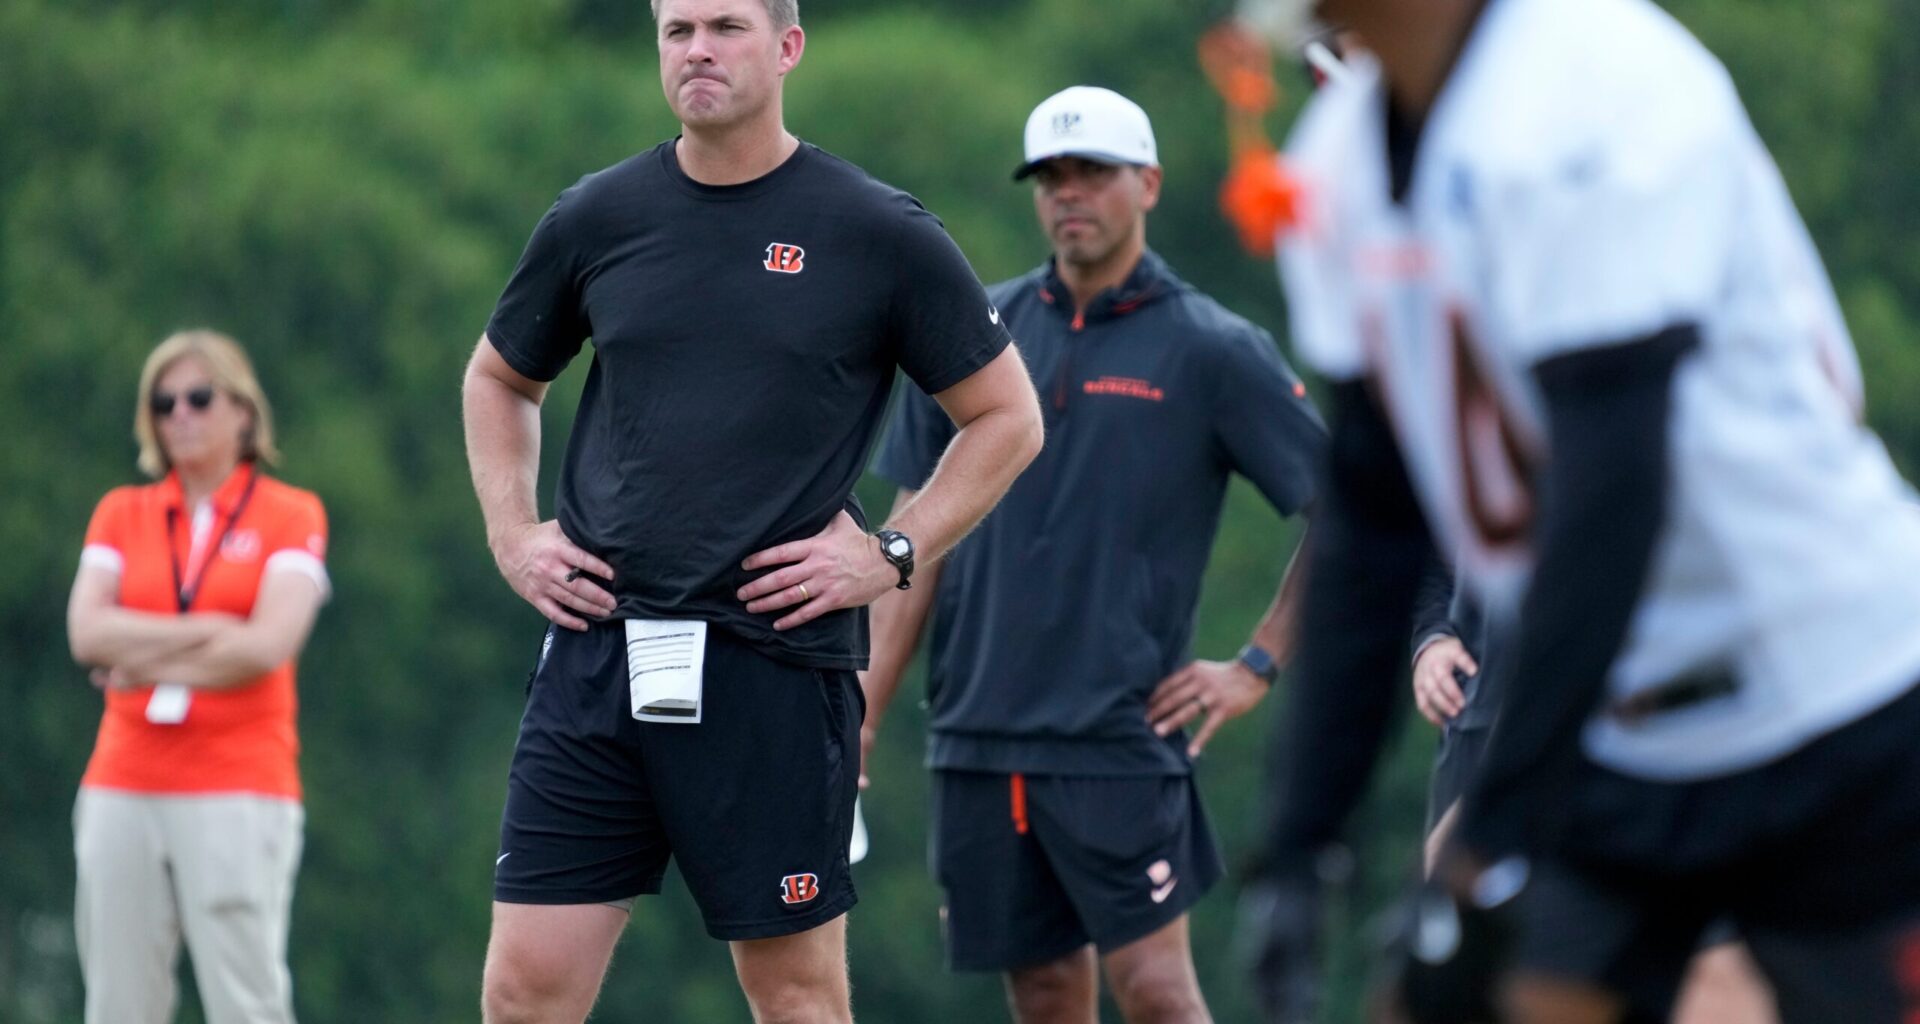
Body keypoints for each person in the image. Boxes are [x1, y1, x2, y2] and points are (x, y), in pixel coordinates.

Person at [1238, 0, 1920, 1021]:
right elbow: (1373, 521)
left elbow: (1614, 501)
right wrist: (1297, 846)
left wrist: (1491, 839)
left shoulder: (1597, 82)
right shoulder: (1339, 166)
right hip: (1627, 725)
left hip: (1831, 701)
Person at [461, 1, 1045, 1021]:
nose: (697, 50)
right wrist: (515, 536)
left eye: (725, 26)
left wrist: (891, 551)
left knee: (795, 997)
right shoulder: (597, 217)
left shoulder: (874, 230)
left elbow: (1007, 418)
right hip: (598, 655)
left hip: (772, 664)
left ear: (787, 48)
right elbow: (500, 379)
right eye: (676, 30)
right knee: (523, 988)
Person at [863, 86, 1324, 1024]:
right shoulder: (972, 336)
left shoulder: (1213, 348)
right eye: (1052, 176)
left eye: (1094, 173)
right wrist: (859, 711)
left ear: (1148, 184)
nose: (1070, 193)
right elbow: (914, 541)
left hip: (1118, 740)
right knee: (1041, 995)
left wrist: (1258, 665)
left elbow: (1350, 515)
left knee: (1156, 994)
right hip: (978, 734)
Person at [66, 329, 330, 1024]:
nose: (179, 413)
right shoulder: (121, 512)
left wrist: (142, 655)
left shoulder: (290, 511)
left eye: (199, 397)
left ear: (242, 410)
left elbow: (267, 646)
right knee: (118, 1003)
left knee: (247, 1003)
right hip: (123, 781)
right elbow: (87, 632)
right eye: (163, 402)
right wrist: (209, 632)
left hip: (240, 782)